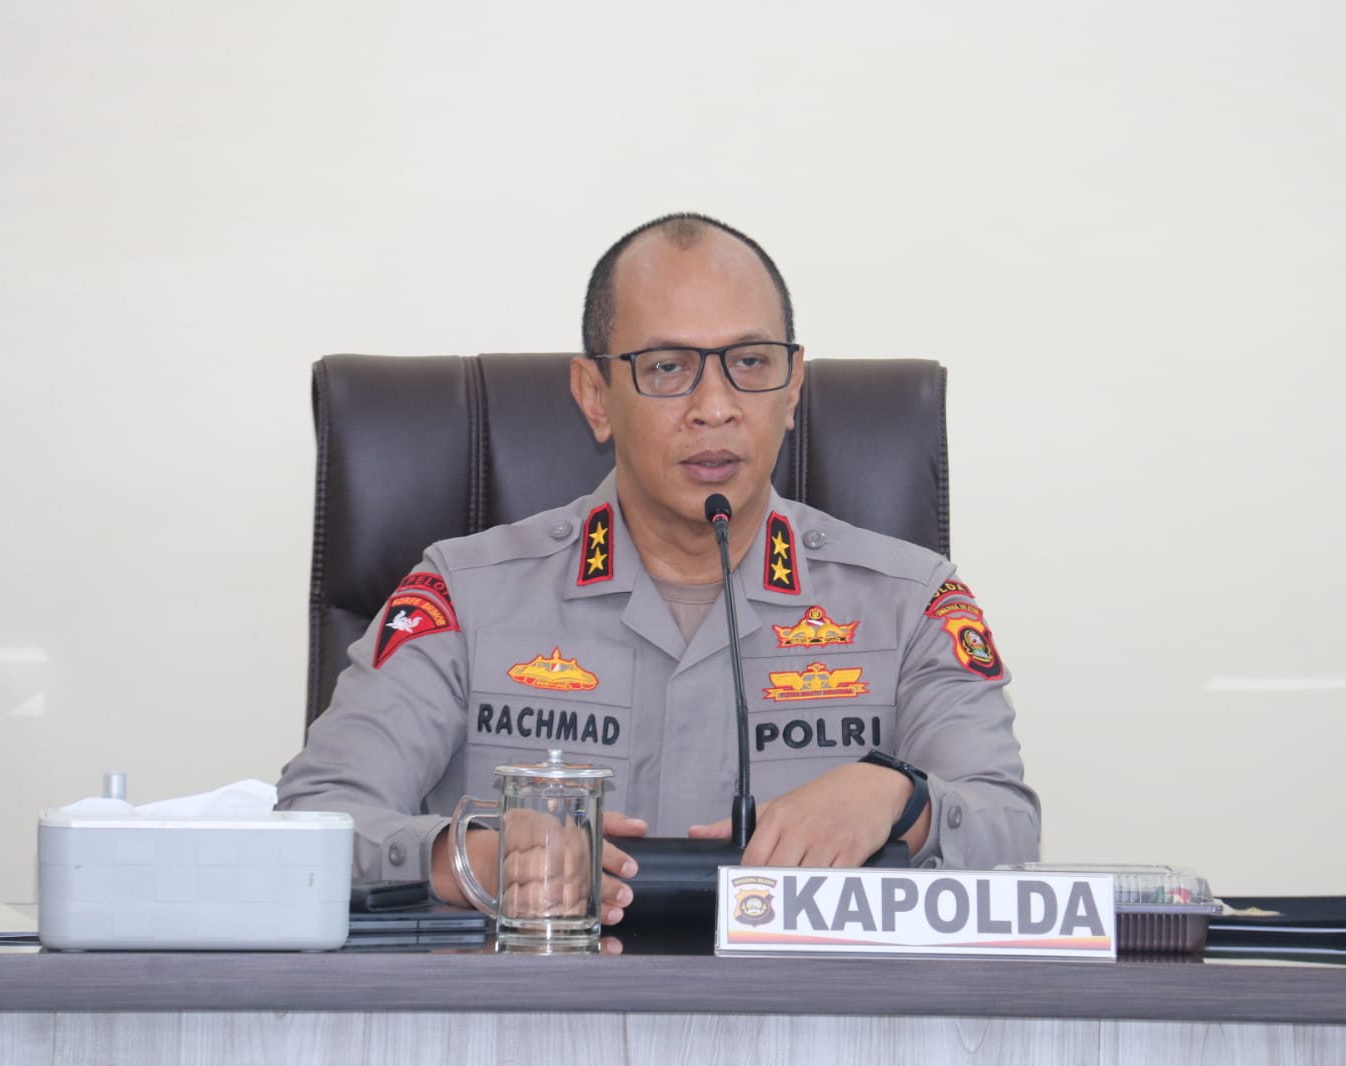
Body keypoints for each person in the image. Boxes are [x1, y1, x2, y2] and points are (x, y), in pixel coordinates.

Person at [276, 213, 1040, 925]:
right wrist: (464, 860)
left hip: (805, 1009)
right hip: (535, 1008)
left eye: (750, 363)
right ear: (594, 397)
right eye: (668, 367)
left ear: (792, 389)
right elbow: (311, 824)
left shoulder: (909, 602)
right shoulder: (464, 596)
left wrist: (903, 799)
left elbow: (1008, 827)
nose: (715, 407)